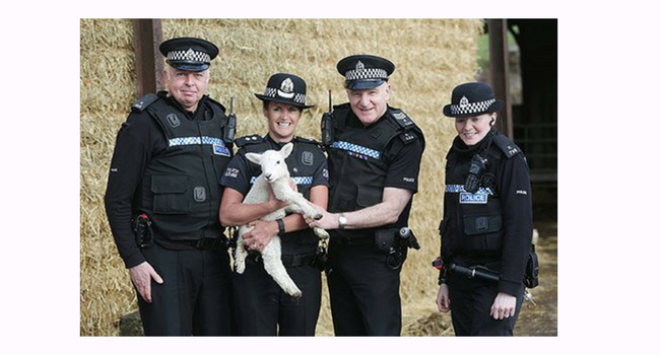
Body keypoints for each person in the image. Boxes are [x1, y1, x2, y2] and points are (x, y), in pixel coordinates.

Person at [104, 37, 235, 336]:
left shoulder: (218, 120)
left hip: (214, 257)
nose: (189, 83)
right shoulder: (143, 123)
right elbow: (117, 200)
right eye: (181, 74)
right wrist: (134, 262)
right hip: (164, 259)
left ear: (207, 79)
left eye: (197, 75)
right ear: (167, 77)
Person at [307, 55, 425, 336]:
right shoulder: (337, 120)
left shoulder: (403, 137)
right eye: (356, 93)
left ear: (387, 89)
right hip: (338, 254)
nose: (364, 102)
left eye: (372, 92)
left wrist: (335, 220)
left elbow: (392, 210)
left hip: (375, 258)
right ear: (347, 92)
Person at [219, 73, 328, 336]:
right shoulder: (248, 155)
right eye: (277, 108)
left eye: (292, 109)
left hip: (303, 268)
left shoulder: (314, 156)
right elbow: (227, 215)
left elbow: (318, 213)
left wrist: (274, 227)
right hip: (255, 272)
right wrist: (270, 206)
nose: (284, 116)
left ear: (300, 114)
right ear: (266, 111)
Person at [435, 82, 533, 336]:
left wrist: (509, 289)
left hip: (494, 280)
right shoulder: (454, 156)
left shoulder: (507, 159)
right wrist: (444, 279)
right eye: (460, 120)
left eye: (475, 119)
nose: (467, 127)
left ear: (492, 117)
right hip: (459, 278)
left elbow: (519, 227)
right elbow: (450, 222)